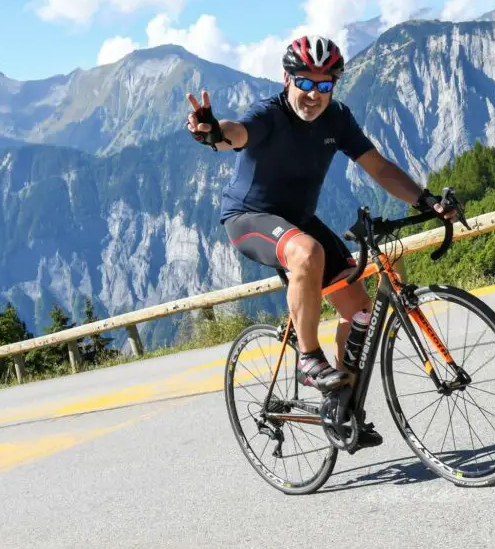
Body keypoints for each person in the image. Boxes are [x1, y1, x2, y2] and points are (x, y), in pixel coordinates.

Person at [186, 34, 457, 396]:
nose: (314, 94)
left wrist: (425, 200)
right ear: (287, 80)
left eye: (324, 85)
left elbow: (379, 168)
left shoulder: (337, 119)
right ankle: (309, 359)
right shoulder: (270, 114)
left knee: (362, 310)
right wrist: (214, 131)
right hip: (250, 217)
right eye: (305, 82)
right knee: (307, 252)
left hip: (300, 220)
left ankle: (342, 403)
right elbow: (238, 134)